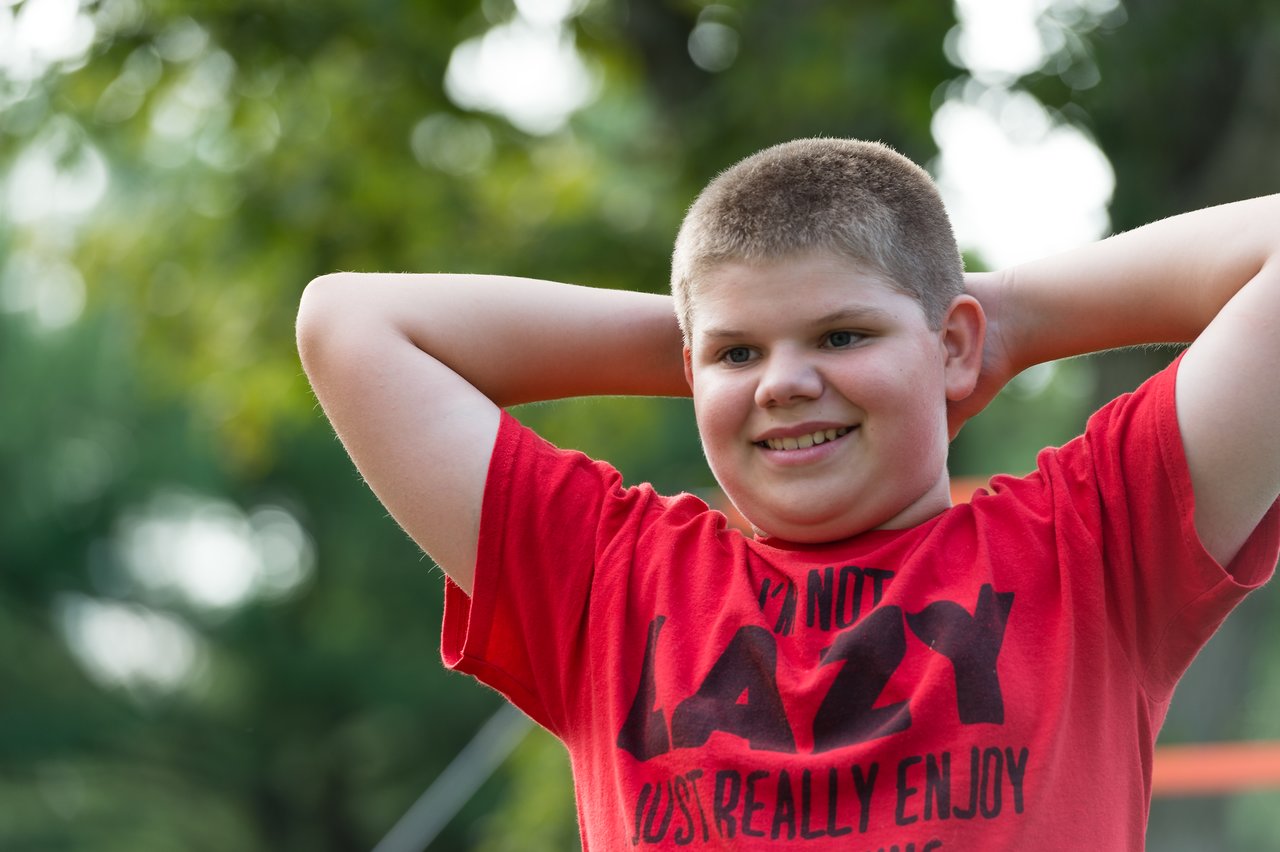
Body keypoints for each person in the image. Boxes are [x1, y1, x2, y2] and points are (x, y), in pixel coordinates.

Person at [295, 138, 1280, 850]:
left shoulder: (1091, 541)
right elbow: (348, 321)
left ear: (954, 346)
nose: (783, 383)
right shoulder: (605, 577)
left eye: (842, 335)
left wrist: (1009, 316)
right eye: (738, 355)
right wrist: (708, 337)